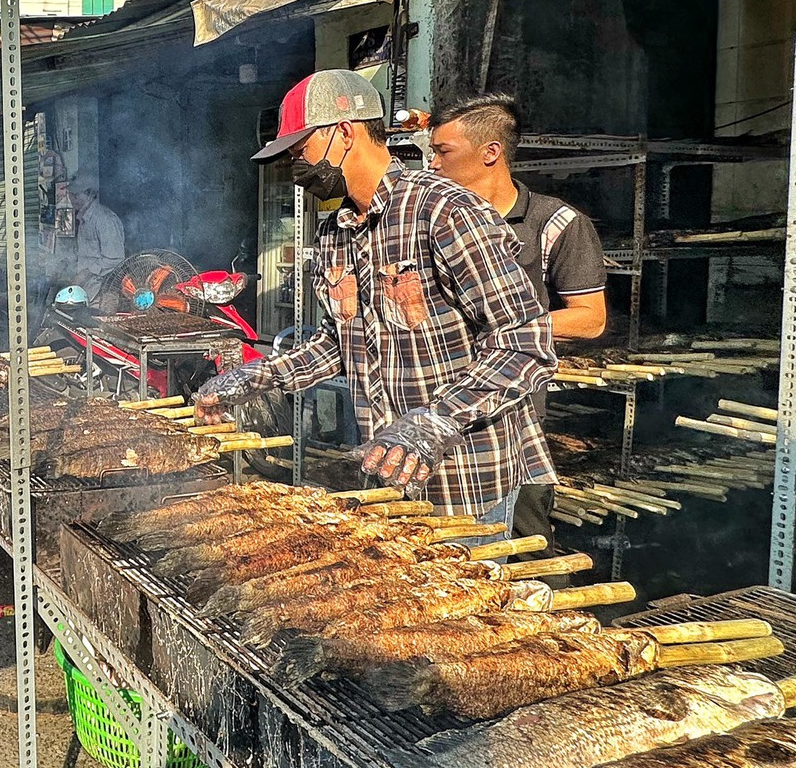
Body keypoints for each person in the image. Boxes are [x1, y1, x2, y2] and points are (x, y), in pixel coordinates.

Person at [195, 69, 557, 523]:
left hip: (464, 481)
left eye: (299, 151)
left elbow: (526, 342)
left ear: (343, 133)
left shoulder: (443, 213)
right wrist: (256, 378)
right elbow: (339, 343)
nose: (294, 169)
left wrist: (436, 421)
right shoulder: (333, 233)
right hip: (385, 477)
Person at [429, 93, 608, 541]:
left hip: (512, 416)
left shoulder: (555, 223)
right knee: (437, 549)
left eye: (442, 151)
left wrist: (500, 330)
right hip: (437, 409)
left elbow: (590, 319)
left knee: (523, 543)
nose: (431, 164)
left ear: (491, 152)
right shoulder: (431, 220)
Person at [67, 175, 125, 292]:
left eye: (76, 195)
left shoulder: (105, 219)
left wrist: (87, 272)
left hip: (102, 289)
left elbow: (115, 258)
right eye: (70, 195)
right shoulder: (83, 218)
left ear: (90, 195)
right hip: (86, 287)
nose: (72, 200)